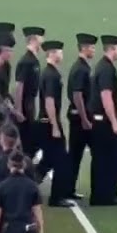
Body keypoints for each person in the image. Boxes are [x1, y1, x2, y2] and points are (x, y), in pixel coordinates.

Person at [87, 34, 117, 206]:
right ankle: (109, 193)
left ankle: (100, 195)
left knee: (101, 158)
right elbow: (106, 96)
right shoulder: (106, 69)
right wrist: (114, 122)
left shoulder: (104, 66)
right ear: (112, 48)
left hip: (100, 120)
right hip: (104, 122)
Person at [36, 39, 73, 207]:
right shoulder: (51, 75)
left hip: (45, 122)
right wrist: (55, 126)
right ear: (51, 53)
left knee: (48, 160)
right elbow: (49, 101)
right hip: (49, 123)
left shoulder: (48, 73)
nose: (61, 54)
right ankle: (57, 197)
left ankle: (29, 184)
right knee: (60, 160)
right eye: (59, 51)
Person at [64, 33, 95, 202]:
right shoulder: (81, 69)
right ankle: (67, 188)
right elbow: (77, 95)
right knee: (75, 155)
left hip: (79, 117)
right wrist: (84, 118)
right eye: (91, 47)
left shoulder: (82, 67)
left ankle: (69, 188)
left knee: (76, 155)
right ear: (83, 48)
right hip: (79, 119)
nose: (94, 50)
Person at [12, 26, 43, 152]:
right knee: (26, 135)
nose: (42, 41)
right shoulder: (26, 61)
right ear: (33, 40)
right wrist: (18, 110)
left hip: (30, 102)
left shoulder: (33, 60)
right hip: (26, 104)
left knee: (30, 133)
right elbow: (20, 85)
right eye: (40, 38)